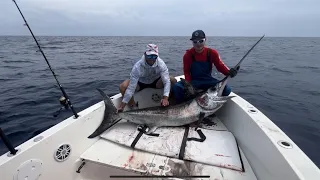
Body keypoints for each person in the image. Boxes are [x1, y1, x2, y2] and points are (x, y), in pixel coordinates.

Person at [172, 30, 238, 104]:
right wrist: (188, 85)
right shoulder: (187, 55)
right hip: (194, 81)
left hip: (208, 81)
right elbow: (186, 72)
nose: (198, 44)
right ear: (192, 42)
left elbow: (220, 66)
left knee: (227, 90)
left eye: (201, 41)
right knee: (177, 87)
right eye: (195, 42)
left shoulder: (212, 53)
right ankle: (182, 105)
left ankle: (211, 105)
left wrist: (229, 72)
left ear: (205, 40)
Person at [118, 44, 177, 112]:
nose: (152, 59)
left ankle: (169, 103)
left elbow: (166, 81)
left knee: (173, 80)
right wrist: (122, 106)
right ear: (145, 54)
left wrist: (165, 98)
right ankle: (134, 108)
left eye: (154, 56)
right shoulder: (137, 66)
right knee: (123, 86)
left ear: (157, 55)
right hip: (140, 84)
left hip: (156, 82)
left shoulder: (161, 64)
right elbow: (131, 88)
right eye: (150, 56)